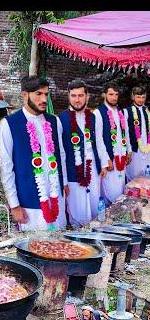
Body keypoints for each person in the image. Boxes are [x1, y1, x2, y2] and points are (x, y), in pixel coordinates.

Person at [0, 75, 68, 231]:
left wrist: (65, 183)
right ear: (25, 95)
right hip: (29, 202)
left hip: (56, 197)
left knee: (58, 245)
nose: (44, 99)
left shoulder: (55, 121)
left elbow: (61, 155)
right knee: (34, 247)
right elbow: (6, 168)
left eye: (46, 94)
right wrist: (14, 205)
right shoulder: (9, 124)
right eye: (38, 94)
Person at [59, 79, 111, 227]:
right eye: (73, 95)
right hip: (73, 171)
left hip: (93, 169)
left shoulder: (94, 117)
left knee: (95, 203)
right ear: (68, 96)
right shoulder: (60, 120)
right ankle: (78, 237)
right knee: (77, 210)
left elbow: (99, 141)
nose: (77, 100)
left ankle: (96, 235)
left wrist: (104, 163)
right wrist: (62, 180)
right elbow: (60, 153)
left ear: (87, 96)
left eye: (80, 95)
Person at [97, 82, 133, 204]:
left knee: (120, 187)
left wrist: (129, 150)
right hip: (110, 159)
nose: (114, 97)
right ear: (104, 95)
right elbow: (98, 138)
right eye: (111, 94)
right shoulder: (99, 112)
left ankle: (118, 212)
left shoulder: (120, 111)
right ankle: (109, 214)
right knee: (110, 189)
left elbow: (126, 132)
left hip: (122, 156)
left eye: (116, 94)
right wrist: (105, 159)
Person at [125, 86, 150, 180]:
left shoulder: (148, 111)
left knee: (146, 173)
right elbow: (125, 133)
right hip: (134, 150)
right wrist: (129, 149)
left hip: (148, 148)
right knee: (133, 175)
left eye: (143, 97)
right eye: (138, 97)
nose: (141, 100)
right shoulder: (126, 111)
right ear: (133, 97)